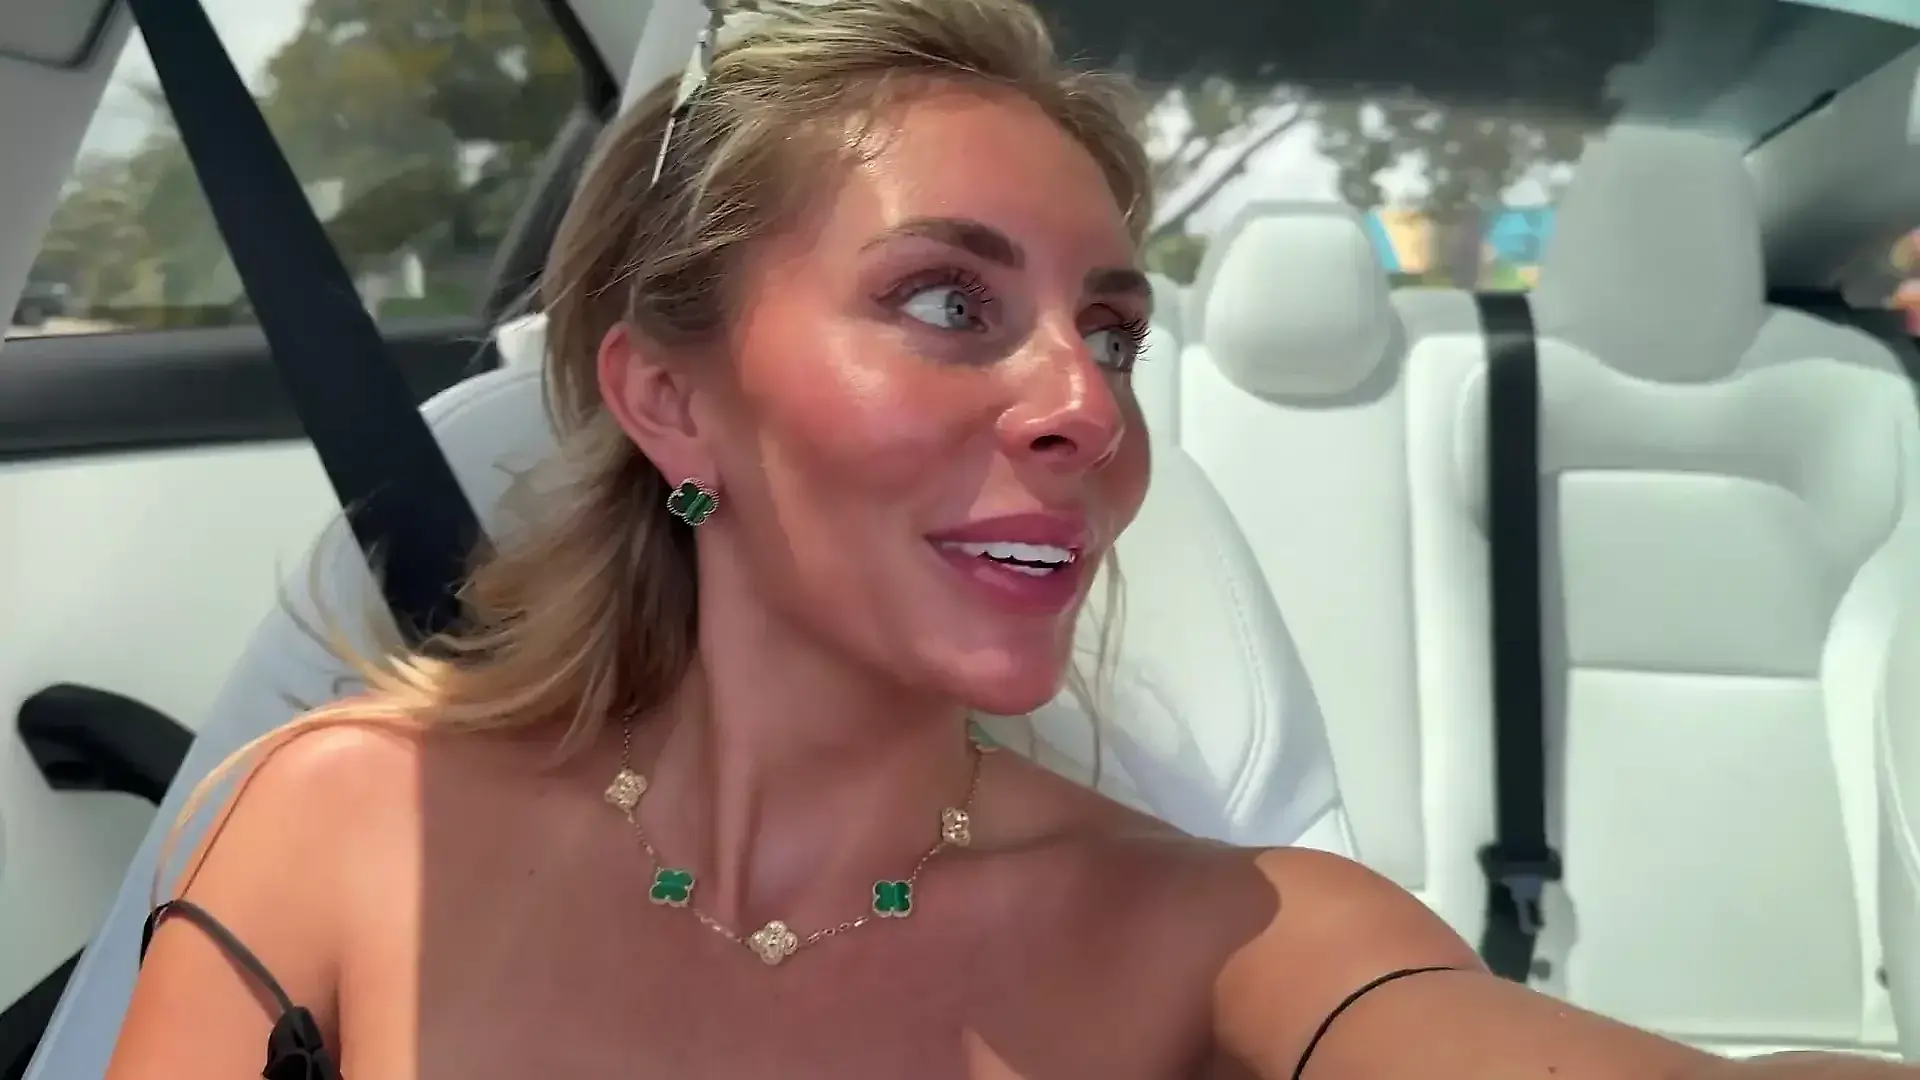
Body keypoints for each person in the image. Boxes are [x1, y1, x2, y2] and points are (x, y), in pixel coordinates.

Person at [103, 1, 1917, 1077]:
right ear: (669, 400)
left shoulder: (1230, 929)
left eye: (1114, 333)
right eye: (947, 303)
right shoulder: (345, 823)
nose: (1090, 409)